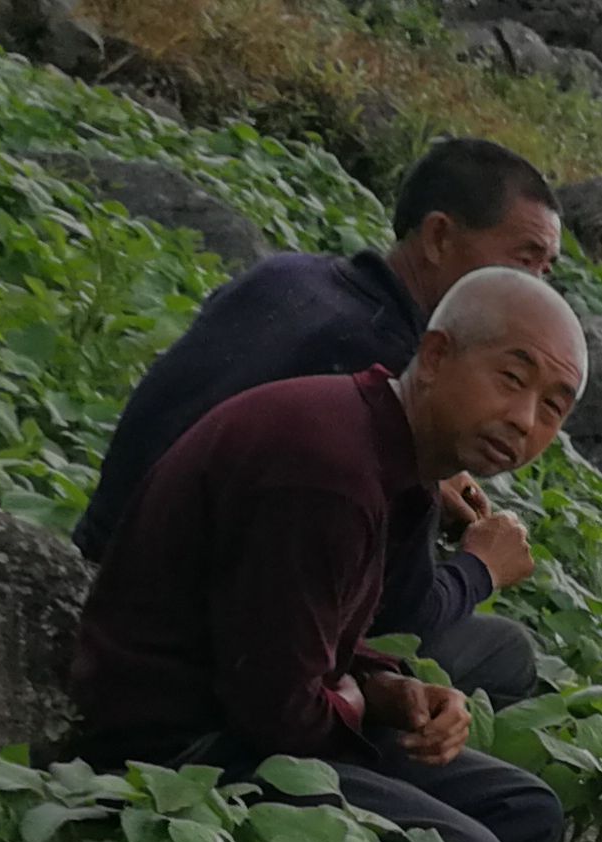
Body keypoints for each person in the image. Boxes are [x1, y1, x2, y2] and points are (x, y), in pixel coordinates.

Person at [68, 267, 588, 842]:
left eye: (553, 407)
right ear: (434, 356)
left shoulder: (402, 458)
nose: (523, 419)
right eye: (512, 378)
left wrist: (393, 688)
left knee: (525, 810)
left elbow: (323, 631)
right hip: (181, 746)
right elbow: (276, 711)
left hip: (259, 710)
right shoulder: (325, 471)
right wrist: (368, 702)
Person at [73, 137, 562, 706]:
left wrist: (426, 478)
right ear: (439, 238)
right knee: (505, 653)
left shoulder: (290, 275)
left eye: (546, 271)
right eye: (524, 261)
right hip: (182, 645)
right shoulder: (390, 366)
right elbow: (398, 611)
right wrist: (482, 566)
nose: (537, 292)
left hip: (107, 551)